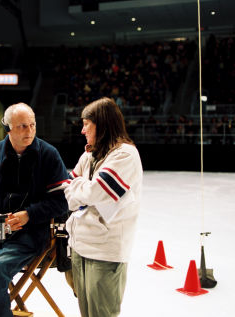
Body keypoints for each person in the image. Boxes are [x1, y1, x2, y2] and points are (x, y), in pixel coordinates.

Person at [0, 102, 69, 317]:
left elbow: (61, 202)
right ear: (8, 128)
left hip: (31, 233)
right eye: (22, 126)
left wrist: (29, 215)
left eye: (32, 125)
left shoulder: (49, 155)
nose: (29, 131)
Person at [64, 97, 143, 317]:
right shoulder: (89, 154)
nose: (82, 131)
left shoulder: (124, 154)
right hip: (80, 245)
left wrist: (81, 188)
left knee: (101, 313)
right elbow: (69, 194)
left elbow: (95, 192)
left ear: (102, 124)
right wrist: (83, 189)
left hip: (105, 251)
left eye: (86, 125)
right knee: (86, 312)